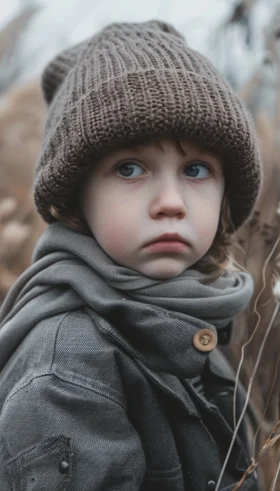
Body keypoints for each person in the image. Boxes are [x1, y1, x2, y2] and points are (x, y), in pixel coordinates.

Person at [0, 20, 262, 491]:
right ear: (78, 196)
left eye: (196, 169)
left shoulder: (189, 321)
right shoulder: (69, 372)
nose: (171, 201)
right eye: (130, 168)